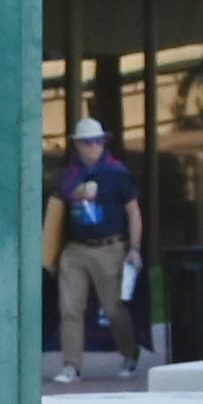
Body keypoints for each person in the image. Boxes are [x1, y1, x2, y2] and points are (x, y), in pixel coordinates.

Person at [46, 116, 141, 382]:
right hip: (75, 249)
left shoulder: (116, 173)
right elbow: (58, 212)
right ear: (78, 145)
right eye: (87, 142)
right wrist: (51, 251)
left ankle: (129, 352)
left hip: (109, 248)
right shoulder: (69, 176)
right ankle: (71, 365)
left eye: (97, 141)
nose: (93, 146)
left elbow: (133, 211)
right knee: (69, 308)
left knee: (114, 308)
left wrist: (134, 248)